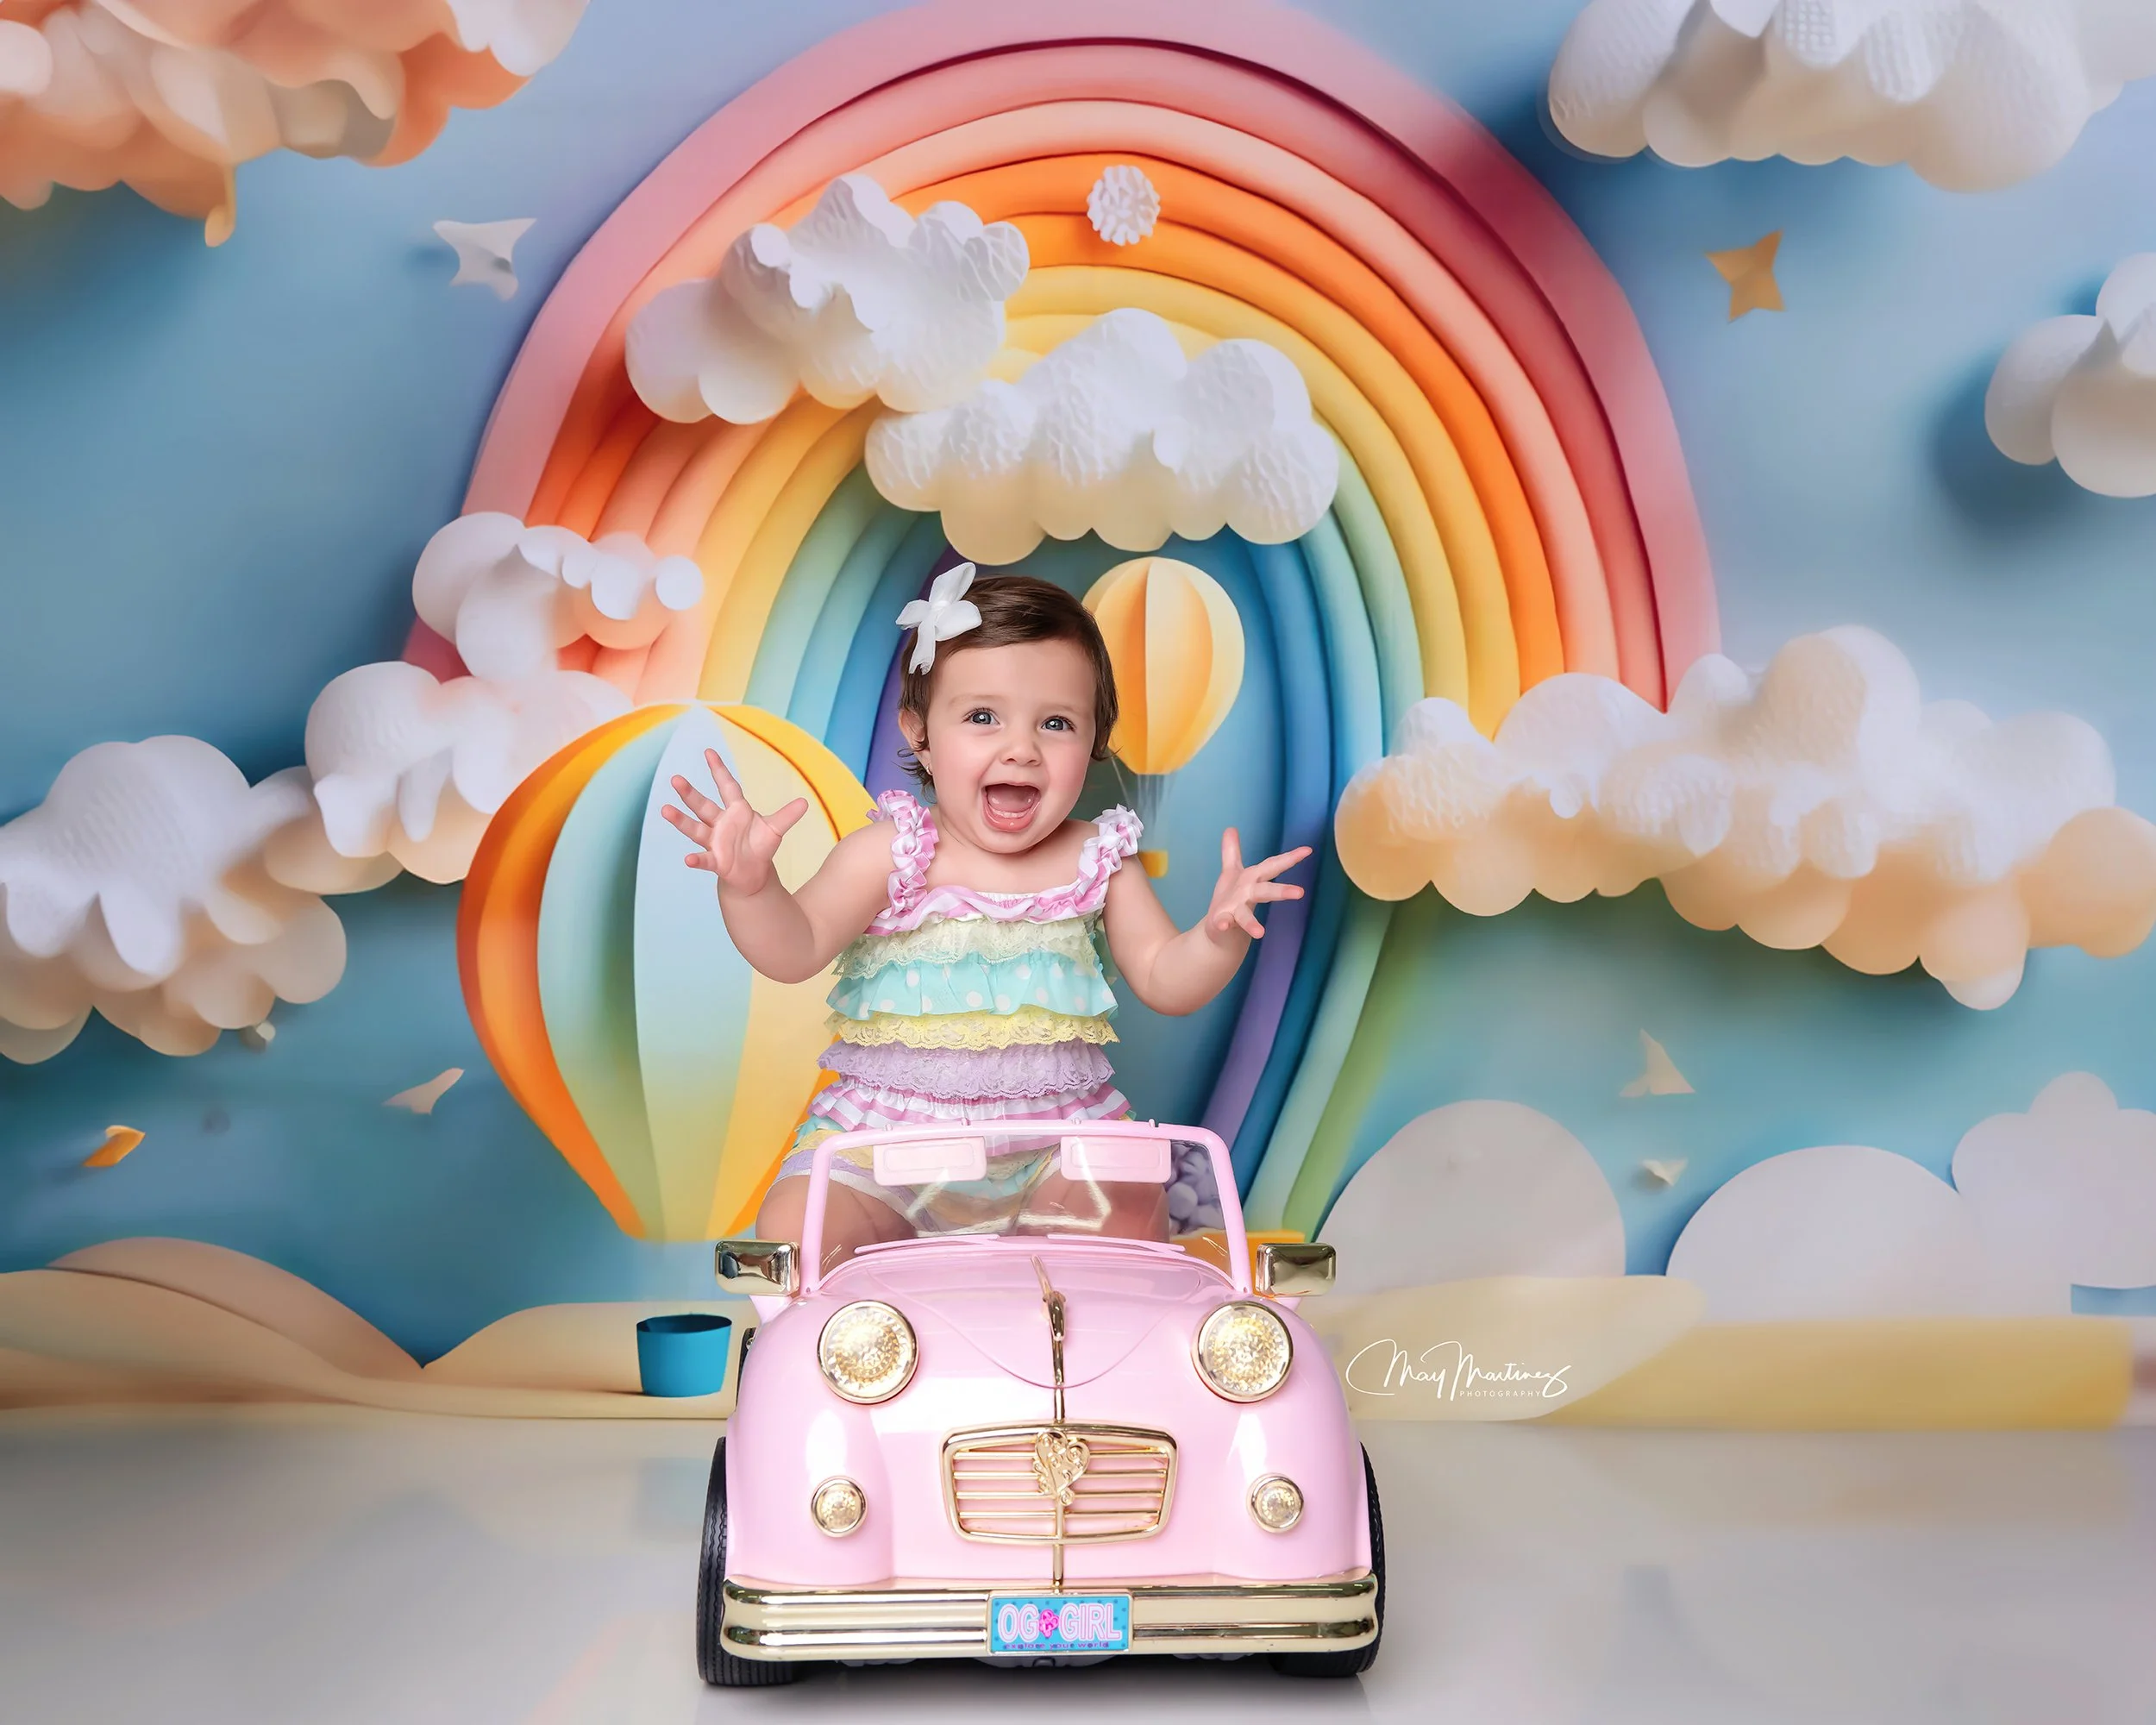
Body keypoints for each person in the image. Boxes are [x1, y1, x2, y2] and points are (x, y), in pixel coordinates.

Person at [658, 564, 1308, 1270]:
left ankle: (1063, 1352)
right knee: (797, 1232)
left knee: (1123, 1212)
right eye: (982, 717)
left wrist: (1217, 936)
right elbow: (794, 948)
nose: (1021, 747)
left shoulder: (1098, 856)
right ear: (920, 736)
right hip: (888, 1152)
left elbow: (1164, 978)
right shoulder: (890, 852)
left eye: (1055, 723)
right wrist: (752, 889)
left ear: (1093, 742)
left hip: (1053, 1152)